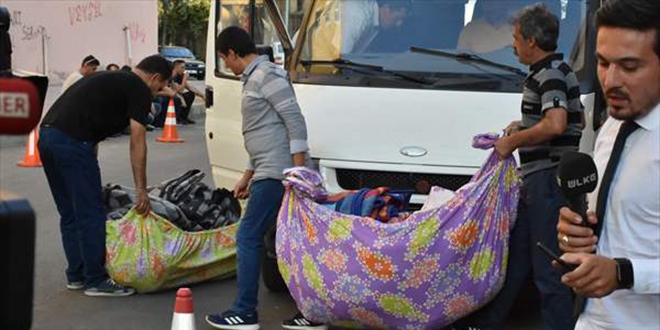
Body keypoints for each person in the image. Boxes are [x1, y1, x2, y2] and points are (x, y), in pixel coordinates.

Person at [453, 4, 583, 330]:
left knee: (548, 266)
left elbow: (555, 123)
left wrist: (513, 141)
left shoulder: (549, 74)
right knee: (518, 258)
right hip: (536, 182)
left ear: (531, 41)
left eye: (515, 38)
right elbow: (549, 117)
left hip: (548, 182)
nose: (512, 45)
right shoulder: (548, 71)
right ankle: (486, 323)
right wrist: (521, 125)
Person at [204, 26, 325, 330]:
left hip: (278, 174)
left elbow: (294, 122)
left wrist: (298, 175)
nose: (226, 66)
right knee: (288, 242)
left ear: (232, 52)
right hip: (269, 170)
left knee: (248, 236)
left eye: (224, 59)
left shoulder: (266, 75)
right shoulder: (255, 78)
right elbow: (264, 132)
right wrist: (247, 174)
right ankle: (313, 312)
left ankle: (245, 311)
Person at [556, 0, 660, 329]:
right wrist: (575, 235)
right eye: (603, 63)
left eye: (629, 67)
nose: (610, 80)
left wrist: (621, 273)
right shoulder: (611, 126)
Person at [38, 55, 171, 297]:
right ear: (154, 77)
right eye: (160, 87)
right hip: (73, 143)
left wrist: (89, 162)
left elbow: (92, 121)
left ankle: (76, 275)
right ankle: (96, 280)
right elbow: (138, 141)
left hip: (48, 137)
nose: (157, 93)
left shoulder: (112, 78)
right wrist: (141, 190)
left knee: (70, 212)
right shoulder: (139, 89)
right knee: (91, 212)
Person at [340, 0, 411, 54]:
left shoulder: (375, 23)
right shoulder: (358, 16)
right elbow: (340, 57)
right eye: (397, 18)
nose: (399, 24)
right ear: (386, 9)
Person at [170, 59, 206, 124]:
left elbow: (190, 87)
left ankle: (184, 117)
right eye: (182, 67)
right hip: (170, 96)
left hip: (177, 95)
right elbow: (180, 90)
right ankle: (178, 118)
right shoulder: (171, 76)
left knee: (190, 94)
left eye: (184, 67)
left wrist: (202, 95)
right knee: (177, 99)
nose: (184, 69)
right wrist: (184, 79)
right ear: (176, 68)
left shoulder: (180, 76)